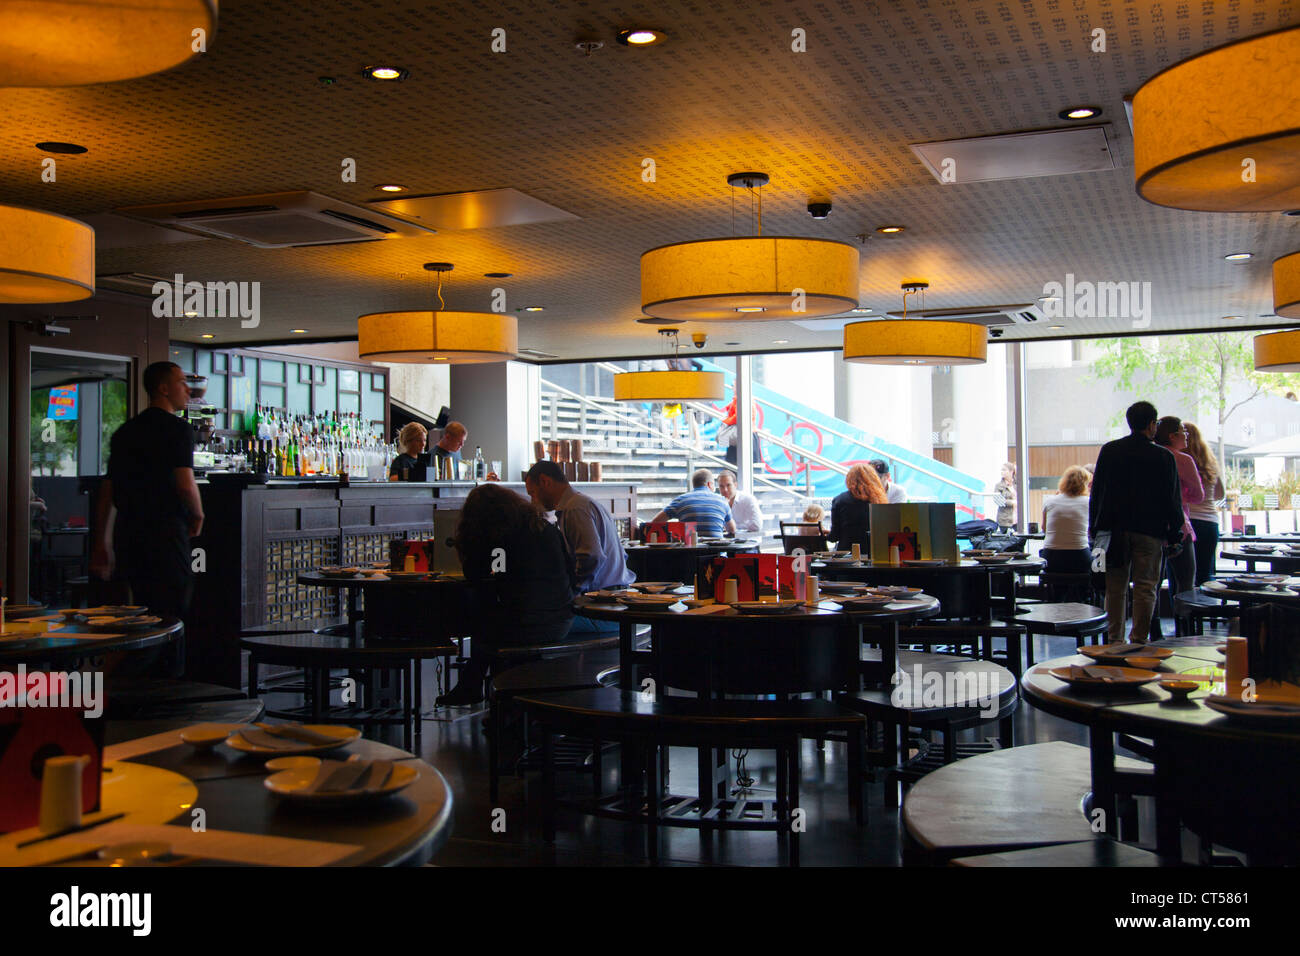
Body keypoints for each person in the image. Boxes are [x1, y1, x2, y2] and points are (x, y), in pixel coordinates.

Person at [438, 483, 577, 706]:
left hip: (527, 625)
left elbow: (490, 578)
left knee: (487, 616)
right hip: (561, 620)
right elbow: (570, 572)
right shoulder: (545, 528)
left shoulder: (500, 543)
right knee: (495, 620)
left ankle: (480, 690)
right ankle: (487, 695)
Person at [90, 361, 203, 624]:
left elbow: (108, 489)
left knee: (139, 612)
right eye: (181, 382)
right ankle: (165, 664)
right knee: (171, 613)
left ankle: (135, 662)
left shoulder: (124, 432)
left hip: (128, 533)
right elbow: (185, 482)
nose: (188, 389)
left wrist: (102, 542)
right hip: (165, 533)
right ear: (163, 388)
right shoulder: (178, 429)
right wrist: (198, 514)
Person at [1089, 401, 1185, 643]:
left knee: (1115, 588)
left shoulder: (1110, 450)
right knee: (1145, 587)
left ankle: (1115, 640)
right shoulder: (1163, 456)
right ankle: (1139, 641)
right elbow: (1172, 499)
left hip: (1114, 531)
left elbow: (1097, 492)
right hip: (1150, 531)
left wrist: (1095, 529)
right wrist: (1174, 534)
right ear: (1152, 424)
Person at [525, 459, 634, 596]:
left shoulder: (574, 509)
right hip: (615, 592)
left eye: (533, 493)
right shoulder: (582, 503)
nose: (533, 501)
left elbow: (591, 556)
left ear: (544, 481)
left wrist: (575, 589)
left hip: (601, 599)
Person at [1154, 415, 1204, 605]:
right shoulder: (1183, 460)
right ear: (1173, 436)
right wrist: (1179, 498)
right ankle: (1185, 626)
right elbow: (1199, 495)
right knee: (1185, 583)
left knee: (1152, 584)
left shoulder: (1150, 455)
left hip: (1151, 526)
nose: (1186, 436)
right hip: (1179, 525)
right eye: (1184, 432)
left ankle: (1153, 627)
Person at [1184, 422, 1225, 585]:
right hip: (1209, 522)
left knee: (1184, 576)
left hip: (1188, 522)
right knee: (1206, 573)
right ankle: (1206, 609)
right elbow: (1220, 493)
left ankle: (1184, 610)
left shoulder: (1179, 461)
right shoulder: (1210, 462)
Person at [650, 468, 736, 537]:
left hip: (689, 554)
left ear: (694, 484)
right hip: (715, 555)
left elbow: (655, 522)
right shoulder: (722, 501)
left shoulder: (680, 500)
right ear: (710, 484)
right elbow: (732, 530)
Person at [1041, 465, 1092, 573]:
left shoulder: (1050, 501)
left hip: (1052, 557)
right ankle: (1087, 589)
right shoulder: (1089, 502)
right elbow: (1091, 530)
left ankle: (1057, 589)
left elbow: (1044, 529)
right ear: (1084, 485)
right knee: (1097, 558)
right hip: (1079, 556)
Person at [829, 464, 887, 551]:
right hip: (875, 551)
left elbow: (834, 536)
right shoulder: (880, 500)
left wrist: (826, 535)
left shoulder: (840, 500)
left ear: (849, 479)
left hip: (847, 553)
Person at [994, 462, 1017, 530]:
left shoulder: (1017, 484)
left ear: (1011, 471)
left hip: (1018, 519)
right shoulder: (999, 485)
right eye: (1001, 470)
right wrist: (1012, 502)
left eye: (1004, 470)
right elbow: (998, 501)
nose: (1002, 472)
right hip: (1005, 519)